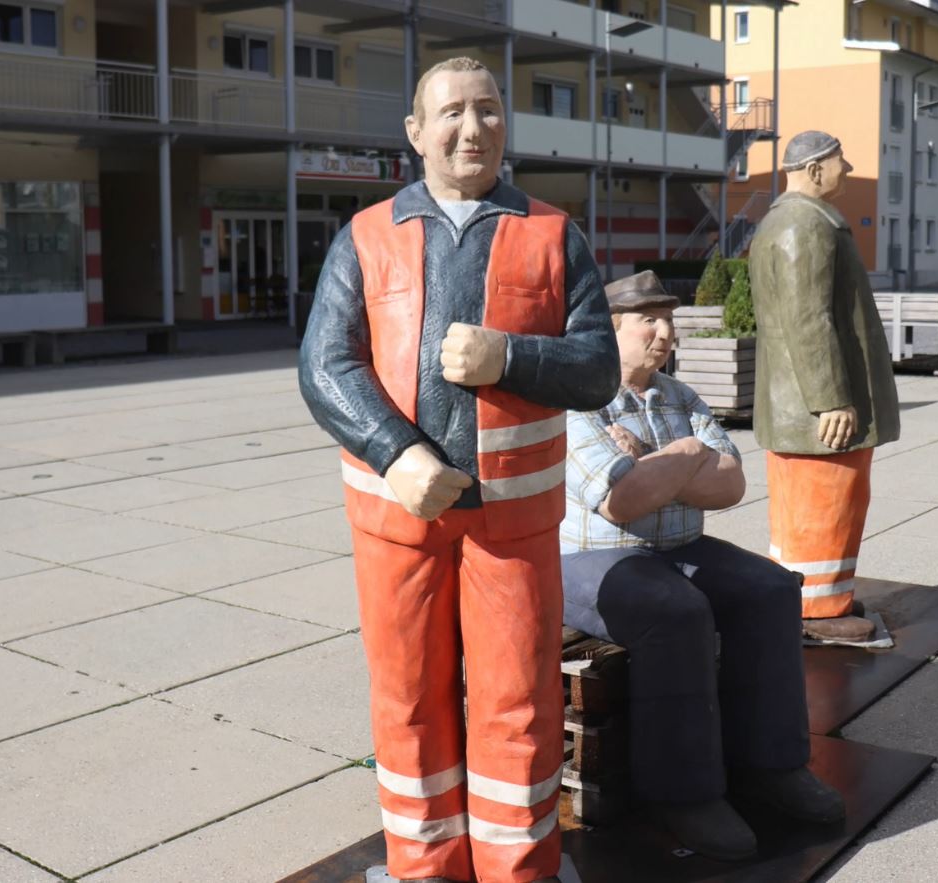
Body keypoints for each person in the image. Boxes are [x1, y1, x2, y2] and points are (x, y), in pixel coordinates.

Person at [298, 56, 620, 883]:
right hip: (395, 519)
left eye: (487, 110)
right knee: (407, 700)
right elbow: (325, 363)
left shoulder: (554, 234)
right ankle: (424, 865)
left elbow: (595, 368)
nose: (471, 128)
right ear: (414, 133)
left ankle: (520, 867)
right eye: (450, 113)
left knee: (518, 699)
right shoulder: (366, 237)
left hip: (512, 524)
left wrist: (507, 356)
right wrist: (393, 450)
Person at [560, 270, 844, 861]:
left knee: (769, 589)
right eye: (650, 321)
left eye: (670, 321)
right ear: (609, 330)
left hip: (679, 547)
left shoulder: (678, 396)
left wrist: (657, 463)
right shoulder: (578, 400)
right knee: (675, 613)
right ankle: (682, 793)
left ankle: (773, 764)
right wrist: (689, 457)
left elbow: (731, 484)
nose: (667, 334)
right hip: (593, 558)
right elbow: (621, 501)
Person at [747, 130, 901, 642]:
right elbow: (808, 319)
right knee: (825, 504)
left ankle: (819, 594)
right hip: (815, 409)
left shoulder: (791, 222)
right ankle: (819, 613)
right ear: (814, 169)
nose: (848, 167)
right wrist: (831, 398)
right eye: (841, 161)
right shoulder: (804, 226)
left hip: (799, 405)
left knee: (818, 506)